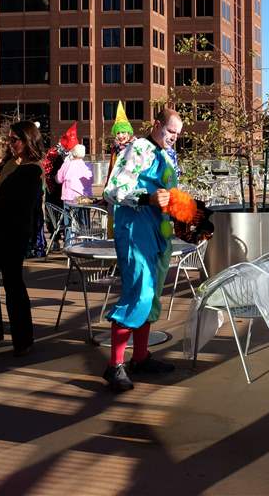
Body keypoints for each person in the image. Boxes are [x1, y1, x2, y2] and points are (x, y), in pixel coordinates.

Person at [101, 107, 184, 392]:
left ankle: (140, 356)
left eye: (177, 134)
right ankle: (114, 365)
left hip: (158, 232)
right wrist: (147, 197)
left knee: (152, 296)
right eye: (170, 131)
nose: (174, 137)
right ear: (157, 124)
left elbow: (169, 194)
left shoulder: (166, 154)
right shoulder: (137, 149)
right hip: (135, 231)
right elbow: (111, 191)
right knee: (139, 291)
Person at [0, 121, 44, 355]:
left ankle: (23, 339)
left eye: (15, 139)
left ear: (27, 140)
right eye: (9, 139)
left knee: (13, 286)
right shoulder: (10, 163)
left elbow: (14, 205)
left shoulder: (32, 170)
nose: (10, 143)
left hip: (13, 234)